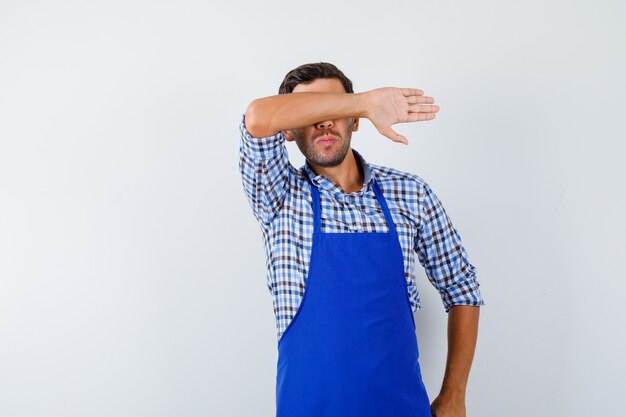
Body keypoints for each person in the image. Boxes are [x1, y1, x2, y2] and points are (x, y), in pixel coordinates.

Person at [238, 62, 484, 417]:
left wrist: (454, 394)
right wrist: (364, 100)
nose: (325, 121)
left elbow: (462, 288)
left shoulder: (410, 193)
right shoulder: (278, 195)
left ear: (355, 120)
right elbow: (257, 117)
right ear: (288, 131)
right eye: (312, 110)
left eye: (335, 108)